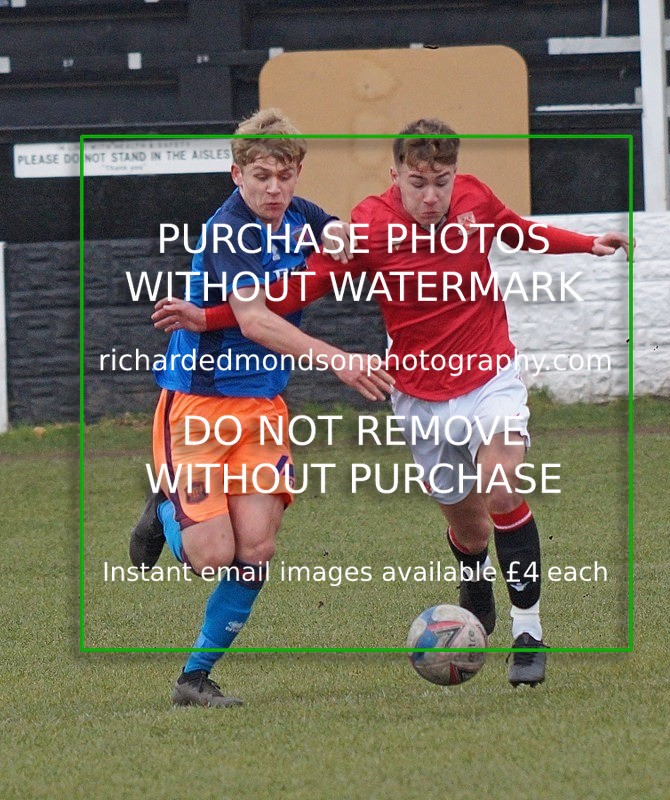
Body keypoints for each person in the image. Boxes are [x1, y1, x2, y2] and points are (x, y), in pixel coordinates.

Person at [151, 118, 630, 688]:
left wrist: (586, 244)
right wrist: (211, 317)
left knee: (501, 485)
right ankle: (474, 578)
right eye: (417, 183)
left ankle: (529, 632)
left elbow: (518, 231)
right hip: (413, 396)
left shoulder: (471, 200)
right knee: (469, 527)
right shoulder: (368, 224)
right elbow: (292, 293)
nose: (432, 197)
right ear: (395, 176)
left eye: (442, 182)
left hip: (488, 376)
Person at [130, 108, 393, 707]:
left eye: (285, 176)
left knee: (257, 549)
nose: (274, 190)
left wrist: (339, 235)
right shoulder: (228, 233)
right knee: (211, 555)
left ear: (297, 172)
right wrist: (339, 360)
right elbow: (255, 321)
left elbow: (332, 232)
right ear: (235, 175)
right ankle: (164, 509)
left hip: (263, 408)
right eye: (261, 177)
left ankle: (194, 677)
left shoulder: (298, 212)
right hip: (196, 407)